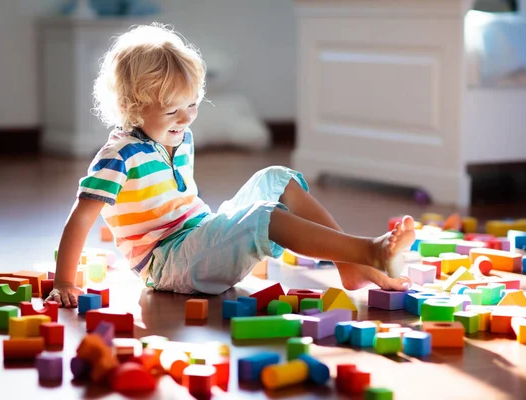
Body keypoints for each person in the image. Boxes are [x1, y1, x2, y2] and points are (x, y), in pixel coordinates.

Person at [46, 23, 415, 308]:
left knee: (276, 178)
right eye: (172, 110)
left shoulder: (179, 137)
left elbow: (184, 203)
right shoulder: (119, 156)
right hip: (168, 264)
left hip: (199, 235)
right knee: (263, 216)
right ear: (132, 106)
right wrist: (64, 281)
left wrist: (213, 228)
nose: (186, 119)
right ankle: (369, 251)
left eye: (192, 105)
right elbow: (81, 217)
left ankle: (348, 265)